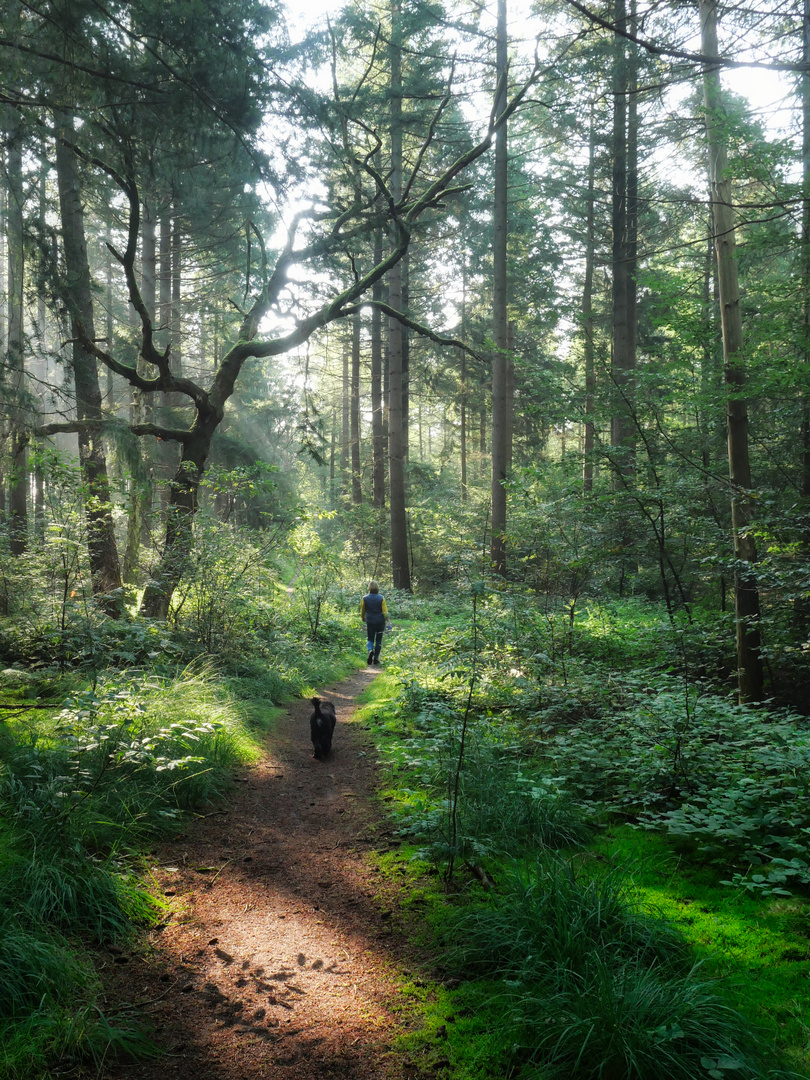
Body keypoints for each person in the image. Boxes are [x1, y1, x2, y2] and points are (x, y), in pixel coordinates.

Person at [360, 580, 391, 666]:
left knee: (370, 638)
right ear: (377, 588)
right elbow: (385, 611)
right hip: (380, 621)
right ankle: (376, 658)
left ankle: (370, 650)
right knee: (378, 640)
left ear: (369, 588)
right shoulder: (381, 598)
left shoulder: (364, 598)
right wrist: (388, 621)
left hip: (370, 621)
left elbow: (362, 610)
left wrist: (363, 618)